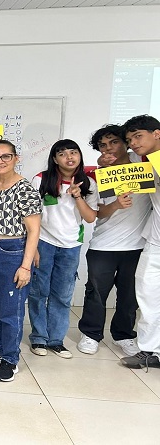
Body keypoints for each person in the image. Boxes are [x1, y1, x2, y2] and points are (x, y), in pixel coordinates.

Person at [77, 125, 150, 356]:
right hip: (104, 244)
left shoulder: (142, 164)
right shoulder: (98, 175)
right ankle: (90, 334)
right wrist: (116, 205)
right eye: (103, 145)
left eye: (114, 142)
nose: (109, 148)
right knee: (96, 292)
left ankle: (124, 335)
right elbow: (97, 213)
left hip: (137, 245)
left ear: (126, 142)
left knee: (129, 295)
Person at [0, 140, 41, 381]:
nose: (0, 161)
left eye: (5, 156)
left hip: (10, 248)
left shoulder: (24, 188)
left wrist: (25, 266)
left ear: (16, 157)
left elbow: (34, 230)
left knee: (10, 308)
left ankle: (10, 358)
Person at [29, 140, 98, 359]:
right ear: (54, 159)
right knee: (39, 292)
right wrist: (34, 248)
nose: (69, 157)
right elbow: (32, 215)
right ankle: (39, 337)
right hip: (43, 243)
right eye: (62, 153)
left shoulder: (88, 183)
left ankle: (56, 340)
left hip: (71, 246)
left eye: (73, 152)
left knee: (63, 294)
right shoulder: (41, 179)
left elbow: (89, 218)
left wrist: (78, 196)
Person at [120, 115, 160, 369]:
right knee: (147, 295)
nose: (133, 143)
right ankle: (149, 351)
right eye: (129, 140)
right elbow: (110, 168)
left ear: (157, 133)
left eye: (138, 136)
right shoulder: (142, 163)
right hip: (155, 240)